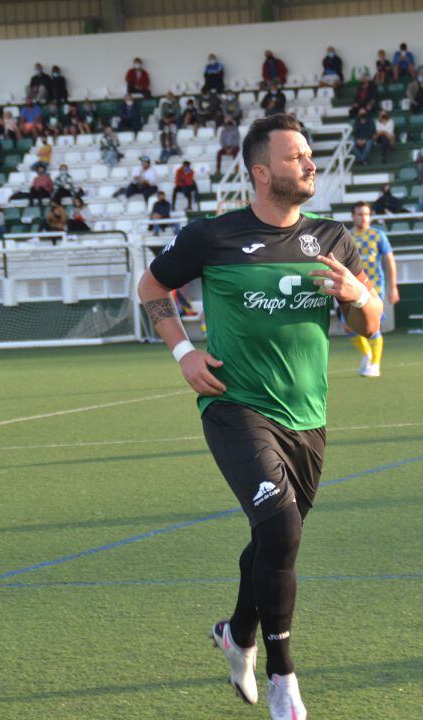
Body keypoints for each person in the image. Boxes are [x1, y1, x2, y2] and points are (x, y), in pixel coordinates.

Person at [137, 112, 380, 720]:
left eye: (309, 155)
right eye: (297, 155)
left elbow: (369, 321)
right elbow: (150, 288)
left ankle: (237, 635)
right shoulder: (211, 236)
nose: (310, 163)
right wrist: (184, 351)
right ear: (261, 170)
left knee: (271, 538)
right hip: (235, 406)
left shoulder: (331, 240)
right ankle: (284, 679)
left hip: (308, 417)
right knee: (282, 532)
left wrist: (356, 298)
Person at [348, 202, 398, 377]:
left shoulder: (378, 236)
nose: (364, 218)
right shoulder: (346, 236)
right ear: (352, 216)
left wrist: (393, 287)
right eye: (360, 214)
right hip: (352, 287)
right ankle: (367, 354)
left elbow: (389, 261)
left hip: (373, 287)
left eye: (367, 214)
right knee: (349, 327)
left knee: (373, 326)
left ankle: (375, 365)